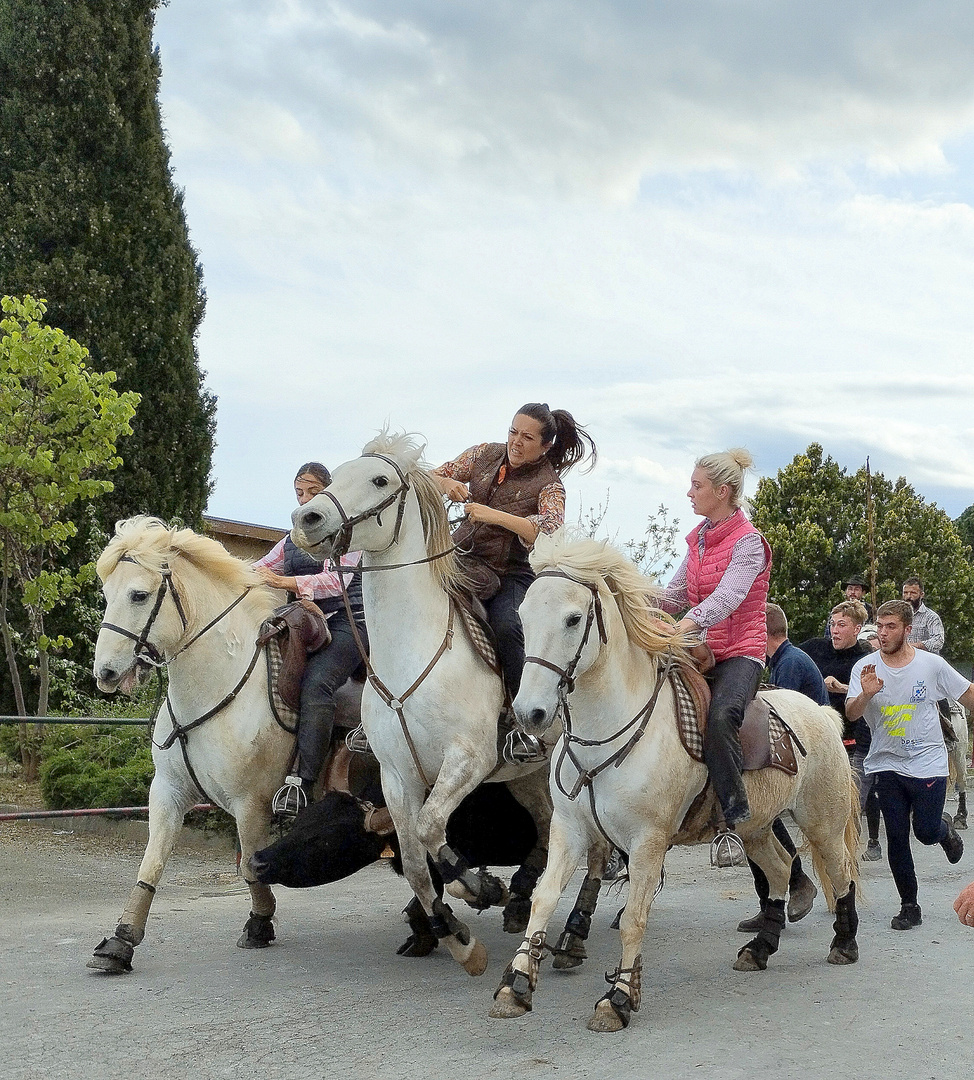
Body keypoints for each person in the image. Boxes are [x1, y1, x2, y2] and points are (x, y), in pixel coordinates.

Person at [432, 403, 596, 710]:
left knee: (509, 628)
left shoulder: (550, 486)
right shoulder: (483, 453)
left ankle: (521, 716)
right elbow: (433, 475)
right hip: (458, 556)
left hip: (509, 573)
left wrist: (493, 515)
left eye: (527, 438)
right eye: (513, 432)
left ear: (546, 446)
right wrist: (448, 483)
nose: (516, 442)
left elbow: (548, 531)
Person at [659, 448, 771, 857]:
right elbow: (673, 595)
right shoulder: (699, 540)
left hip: (742, 653)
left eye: (696, 485)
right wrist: (627, 600)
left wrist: (684, 626)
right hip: (700, 649)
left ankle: (733, 816)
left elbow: (727, 599)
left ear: (722, 491)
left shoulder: (749, 543)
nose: (689, 492)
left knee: (722, 716)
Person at [846, 600, 974, 930]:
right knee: (898, 838)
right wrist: (867, 694)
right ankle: (909, 905)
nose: (884, 632)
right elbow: (852, 713)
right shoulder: (866, 668)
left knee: (926, 831)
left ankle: (943, 831)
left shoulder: (931, 666)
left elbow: (967, 694)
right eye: (880, 625)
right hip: (887, 764)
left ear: (907, 630)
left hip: (928, 763)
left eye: (891, 627)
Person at [253, 463, 367, 814]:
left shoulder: (347, 535)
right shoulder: (290, 540)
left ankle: (300, 783)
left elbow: (336, 583)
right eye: (299, 494)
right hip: (307, 624)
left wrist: (284, 583)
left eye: (312, 493)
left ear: (328, 495)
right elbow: (260, 569)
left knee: (317, 683)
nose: (304, 500)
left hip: (350, 623)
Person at [736, 604, 823, 931]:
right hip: (795, 746)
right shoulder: (786, 659)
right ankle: (772, 901)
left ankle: (798, 881)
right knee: (754, 821)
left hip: (804, 752)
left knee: (760, 818)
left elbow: (781, 713)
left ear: (762, 632)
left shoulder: (788, 664)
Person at [800, 600, 883, 858]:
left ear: (857, 629)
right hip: (819, 737)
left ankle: (867, 843)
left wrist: (844, 688)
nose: (834, 630)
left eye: (842, 625)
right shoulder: (815, 648)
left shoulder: (866, 660)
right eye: (832, 624)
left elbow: (878, 691)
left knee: (854, 799)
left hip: (856, 737)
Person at [902, 576, 944, 654]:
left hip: (926, 662)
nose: (908, 596)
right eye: (905, 593)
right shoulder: (898, 616)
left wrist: (912, 647)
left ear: (921, 595)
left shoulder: (931, 617)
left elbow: (938, 641)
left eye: (913, 593)